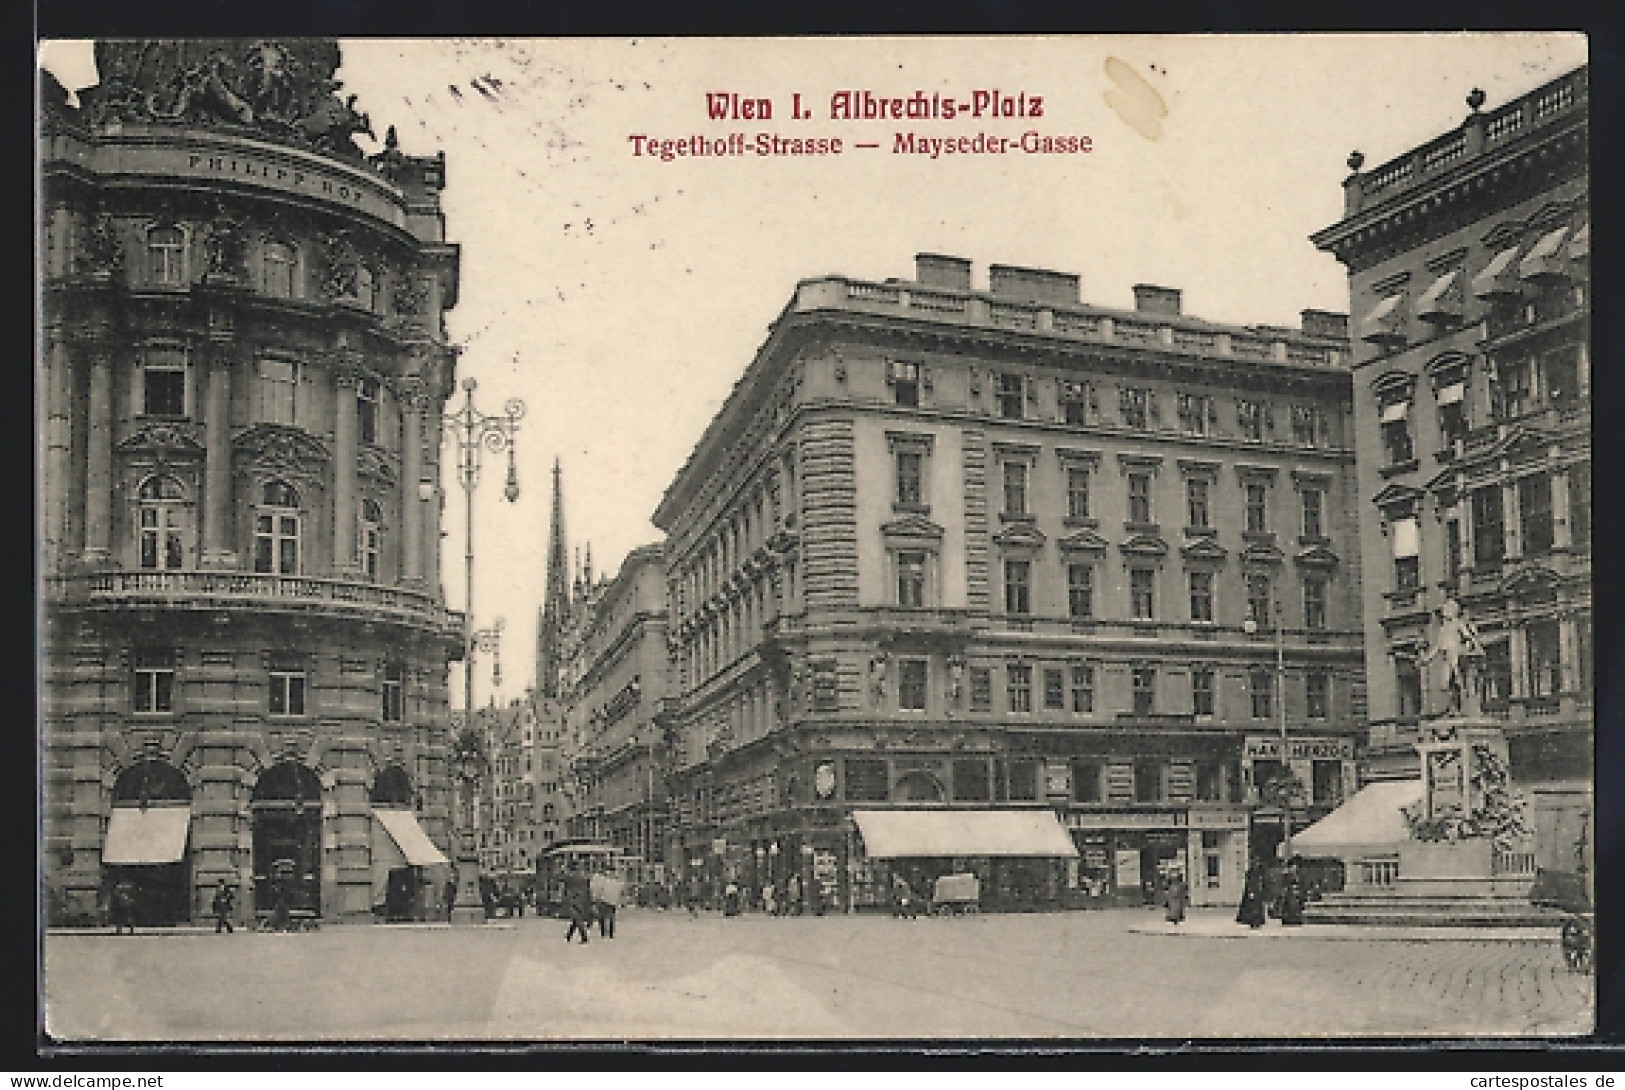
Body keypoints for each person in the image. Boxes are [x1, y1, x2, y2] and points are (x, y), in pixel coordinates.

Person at [1236, 863, 1267, 929]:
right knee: (1253, 908)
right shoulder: (1253, 876)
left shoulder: (1256, 875)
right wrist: (1251, 892)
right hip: (1253, 893)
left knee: (1256, 908)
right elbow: (1250, 884)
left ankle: (1256, 921)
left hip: (1256, 893)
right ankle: (1254, 921)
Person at [563, 874, 592, 944]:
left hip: (575, 902)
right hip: (580, 902)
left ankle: (584, 937)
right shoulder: (583, 881)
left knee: (577, 919)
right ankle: (569, 936)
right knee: (576, 919)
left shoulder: (570, 880)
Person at [1279, 859, 1306, 926]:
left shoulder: (1292, 873)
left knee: (1293, 904)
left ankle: (1293, 918)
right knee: (1291, 904)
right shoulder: (1287, 873)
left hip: (1292, 891)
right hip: (1291, 891)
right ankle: (1291, 918)